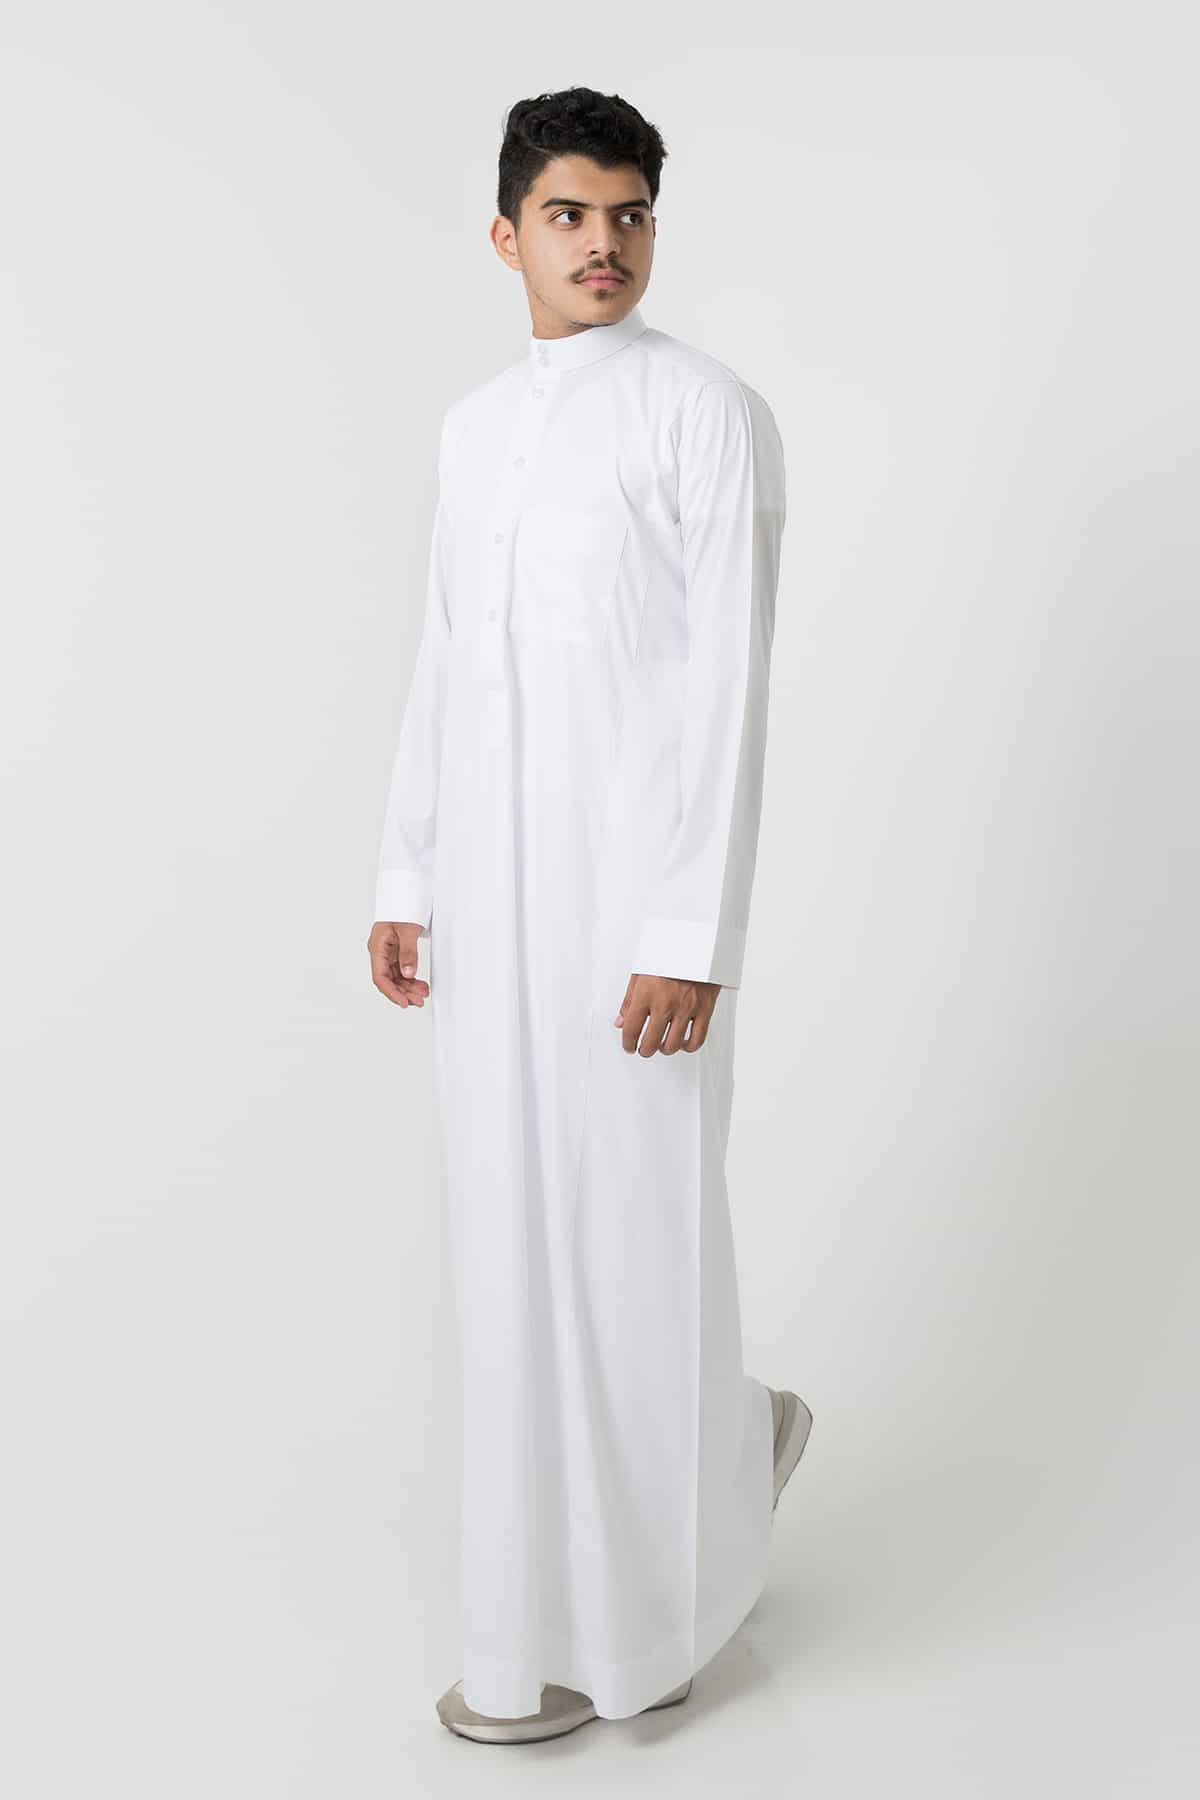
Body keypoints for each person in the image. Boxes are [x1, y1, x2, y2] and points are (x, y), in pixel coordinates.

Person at [367, 86, 812, 1745]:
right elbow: (444, 657)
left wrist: (691, 937)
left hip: (633, 909)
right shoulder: (473, 429)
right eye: (569, 214)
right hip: (490, 907)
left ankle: (656, 1618)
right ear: (508, 236)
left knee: (631, 1239)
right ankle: (541, 1614)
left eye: (628, 214)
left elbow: (728, 691)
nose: (604, 243)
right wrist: (408, 874)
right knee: (511, 1244)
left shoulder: (707, 412)